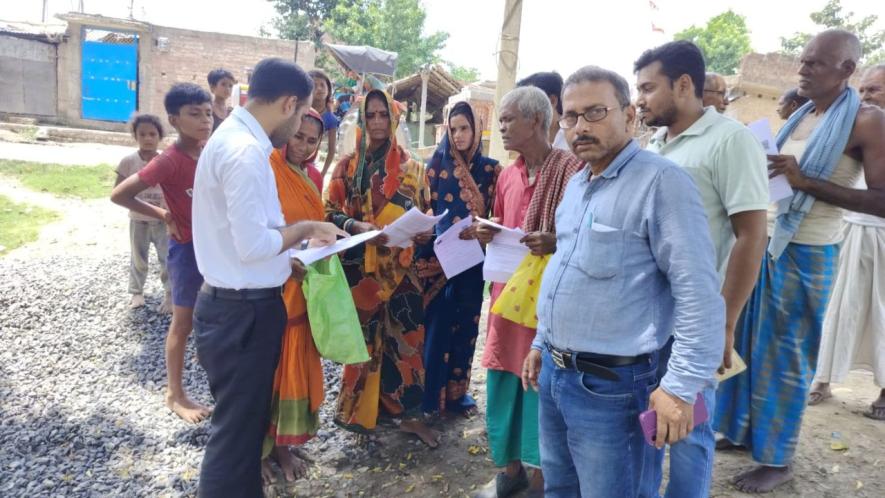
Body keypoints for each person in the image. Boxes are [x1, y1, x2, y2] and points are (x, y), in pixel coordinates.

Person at [521, 65, 725, 498]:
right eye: (570, 117)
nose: (580, 127)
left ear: (629, 115)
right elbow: (568, 269)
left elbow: (698, 294)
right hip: (559, 378)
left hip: (613, 389)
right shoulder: (577, 185)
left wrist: (680, 386)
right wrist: (543, 342)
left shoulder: (661, 182)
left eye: (595, 112)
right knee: (561, 488)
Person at [715, 30, 885, 493]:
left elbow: (882, 199)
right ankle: (740, 430)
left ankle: (778, 457)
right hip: (762, 245)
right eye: (803, 61)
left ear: (847, 69)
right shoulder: (805, 114)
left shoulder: (869, 122)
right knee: (745, 342)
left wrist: (805, 180)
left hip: (808, 251)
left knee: (786, 355)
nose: (803, 70)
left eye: (816, 64)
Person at [191, 58, 345, 497]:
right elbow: (254, 245)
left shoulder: (233, 140)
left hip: (236, 304)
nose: (299, 126)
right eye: (300, 115)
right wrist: (307, 230)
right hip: (242, 313)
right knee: (234, 441)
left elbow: (251, 242)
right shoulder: (246, 152)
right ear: (288, 103)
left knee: (241, 430)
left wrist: (290, 257)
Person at [635, 40, 769, 498]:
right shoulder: (655, 142)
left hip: (696, 317)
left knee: (690, 431)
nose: (640, 99)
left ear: (684, 84)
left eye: (648, 88)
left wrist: (724, 323)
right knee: (652, 422)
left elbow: (752, 234)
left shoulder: (730, 141)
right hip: (647, 315)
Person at [473, 86, 584, 498]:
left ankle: (541, 473)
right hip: (507, 295)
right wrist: (489, 230)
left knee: (541, 381)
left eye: (507, 119)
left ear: (536, 121)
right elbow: (504, 222)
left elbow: (582, 230)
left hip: (549, 301)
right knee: (503, 375)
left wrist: (555, 240)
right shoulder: (507, 175)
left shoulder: (572, 172)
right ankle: (511, 465)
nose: (500, 128)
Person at [325, 89, 440, 448]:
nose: (376, 122)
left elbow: (427, 213)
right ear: (361, 120)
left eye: (382, 115)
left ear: (394, 119)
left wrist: (424, 233)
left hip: (403, 269)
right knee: (362, 343)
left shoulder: (415, 169)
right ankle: (361, 414)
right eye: (370, 115)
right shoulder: (346, 167)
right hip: (362, 270)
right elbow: (327, 211)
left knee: (407, 340)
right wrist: (356, 227)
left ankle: (409, 416)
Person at [111, 83, 214, 424]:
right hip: (186, 249)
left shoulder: (211, 150)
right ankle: (175, 394)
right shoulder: (169, 160)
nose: (205, 120)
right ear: (174, 119)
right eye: (194, 114)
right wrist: (163, 215)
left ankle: (211, 368)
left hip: (216, 248)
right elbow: (120, 195)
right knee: (181, 323)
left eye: (208, 113)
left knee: (216, 313)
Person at [811, 63, 885, 420]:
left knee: (882, 316)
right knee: (836, 309)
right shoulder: (854, 126)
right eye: (865, 89)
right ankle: (822, 379)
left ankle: (884, 389)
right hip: (847, 229)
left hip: (881, 236)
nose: (868, 96)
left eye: (876, 90)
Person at [418, 101, 501, 419]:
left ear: (477, 129)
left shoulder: (492, 170)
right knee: (436, 328)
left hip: (472, 261)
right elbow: (426, 207)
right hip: (438, 261)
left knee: (466, 327)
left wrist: (485, 228)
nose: (459, 135)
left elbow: (498, 216)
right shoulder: (434, 167)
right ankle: (430, 398)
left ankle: (457, 394)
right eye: (453, 129)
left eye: (465, 128)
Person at [260, 109, 329, 484]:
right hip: (273, 285)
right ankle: (258, 451)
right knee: (268, 372)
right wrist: (290, 255)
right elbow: (260, 230)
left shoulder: (311, 176)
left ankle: (284, 444)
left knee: (294, 366)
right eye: (298, 136)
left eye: (311, 140)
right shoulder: (267, 170)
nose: (302, 146)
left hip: (304, 285)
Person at [113, 113, 172, 312]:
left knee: (167, 258)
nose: (147, 138)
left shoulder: (166, 161)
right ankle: (136, 292)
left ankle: (170, 294)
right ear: (135, 136)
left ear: (159, 137)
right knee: (138, 257)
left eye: (152, 134)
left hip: (163, 220)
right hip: (138, 220)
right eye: (143, 134)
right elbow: (117, 191)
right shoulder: (128, 162)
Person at [517, 71, 570, 150]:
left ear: (552, 101)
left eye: (527, 103)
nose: (522, 112)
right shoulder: (529, 145)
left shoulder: (576, 141)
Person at [309, 69, 340, 177]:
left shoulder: (331, 119)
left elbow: (331, 151)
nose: (319, 89)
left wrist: (322, 174)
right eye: (314, 85)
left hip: (310, 164)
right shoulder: (299, 111)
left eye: (323, 85)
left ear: (328, 90)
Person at [208, 68, 235, 133]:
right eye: (223, 84)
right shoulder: (208, 110)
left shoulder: (232, 112)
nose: (227, 89)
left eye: (230, 86)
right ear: (212, 87)